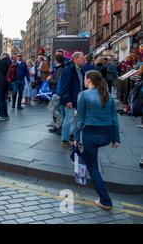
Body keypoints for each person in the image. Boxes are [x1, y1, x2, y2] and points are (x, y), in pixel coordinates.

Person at [73, 70, 121, 211]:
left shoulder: (83, 95)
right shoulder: (108, 95)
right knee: (92, 162)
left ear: (88, 80)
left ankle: (105, 200)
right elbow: (115, 119)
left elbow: (80, 120)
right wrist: (116, 138)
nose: (83, 80)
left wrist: (75, 138)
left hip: (91, 135)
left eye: (85, 78)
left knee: (92, 167)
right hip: (107, 135)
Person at [58, 52, 85, 148]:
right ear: (75, 59)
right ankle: (64, 140)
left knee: (79, 120)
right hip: (70, 100)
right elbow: (64, 87)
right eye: (82, 59)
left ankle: (74, 139)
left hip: (79, 100)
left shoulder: (81, 70)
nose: (84, 60)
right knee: (68, 119)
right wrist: (67, 100)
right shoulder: (69, 70)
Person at [48, 53, 67, 134]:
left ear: (56, 60)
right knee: (57, 109)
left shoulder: (59, 69)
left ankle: (60, 125)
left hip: (57, 92)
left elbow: (57, 82)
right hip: (57, 91)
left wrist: (49, 79)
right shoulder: (60, 68)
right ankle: (58, 126)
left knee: (52, 108)